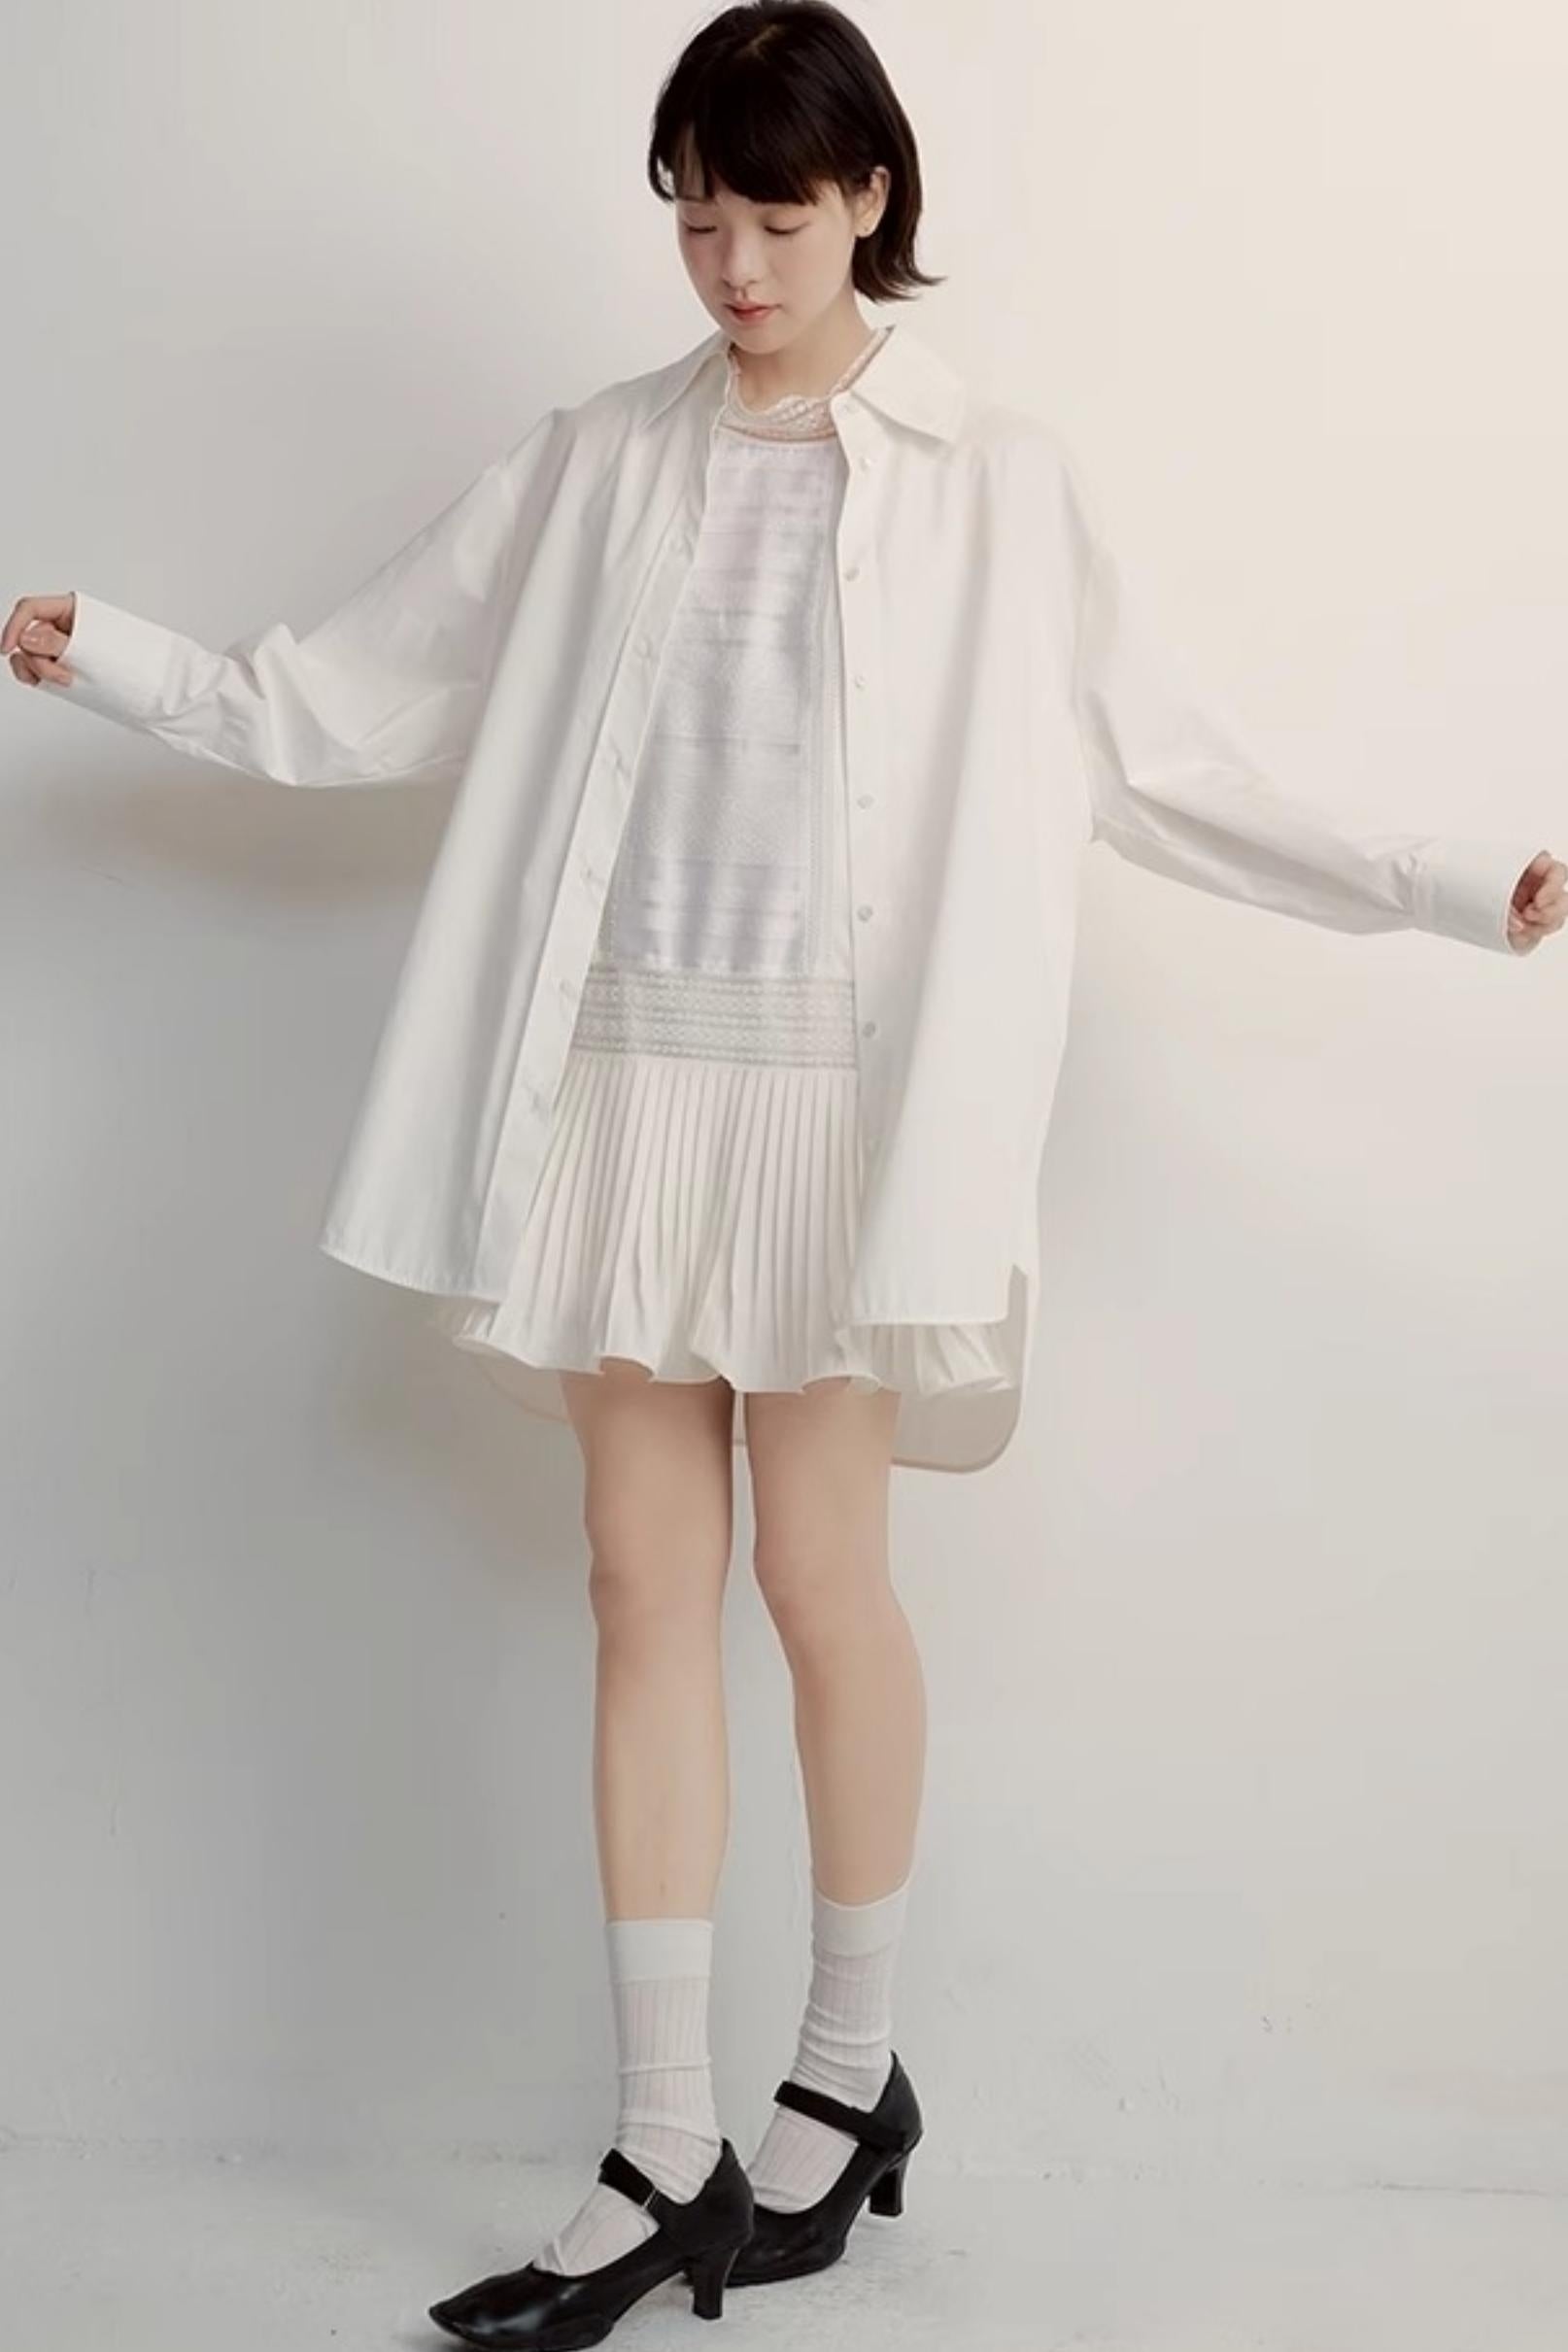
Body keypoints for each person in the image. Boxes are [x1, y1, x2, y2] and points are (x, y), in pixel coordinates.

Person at [7, 5, 1561, 2347]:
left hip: (845, 1115)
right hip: (628, 1096)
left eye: (775, 216)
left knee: (827, 1581)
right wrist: (124, 659)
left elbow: (1164, 765)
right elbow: (353, 689)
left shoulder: (995, 480)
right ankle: (663, 2141)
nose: (733, 266)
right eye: (698, 220)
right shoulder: (595, 461)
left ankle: (847, 2065)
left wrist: (1446, 878)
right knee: (642, 1588)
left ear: (871, 203)